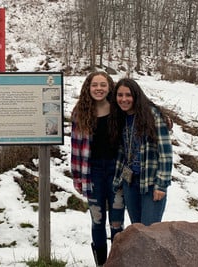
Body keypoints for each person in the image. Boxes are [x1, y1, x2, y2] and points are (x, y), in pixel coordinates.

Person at [71, 71, 125, 267]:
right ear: (88, 87)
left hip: (116, 171)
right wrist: (77, 178)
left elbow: (145, 112)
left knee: (117, 222)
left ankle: (118, 262)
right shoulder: (80, 112)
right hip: (92, 172)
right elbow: (75, 149)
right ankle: (101, 263)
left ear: (109, 87)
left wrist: (165, 120)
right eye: (95, 85)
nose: (99, 88)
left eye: (103, 84)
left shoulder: (119, 109)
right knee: (97, 220)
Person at [111, 78, 172, 226]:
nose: (124, 99)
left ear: (136, 95)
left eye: (128, 95)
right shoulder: (120, 117)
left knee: (150, 231)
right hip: (130, 182)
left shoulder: (152, 115)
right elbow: (122, 152)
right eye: (120, 95)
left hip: (150, 183)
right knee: (137, 229)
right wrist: (119, 180)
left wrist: (161, 185)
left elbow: (165, 152)